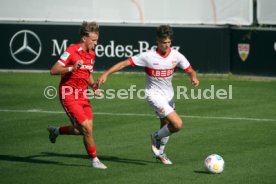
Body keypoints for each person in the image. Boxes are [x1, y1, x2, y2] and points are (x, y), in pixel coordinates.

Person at [97, 25, 199, 165]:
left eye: (169, 42)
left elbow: (190, 70)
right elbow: (124, 63)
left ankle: (160, 153)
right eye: (164, 42)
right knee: (177, 124)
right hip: (154, 96)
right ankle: (155, 137)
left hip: (169, 96)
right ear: (157, 40)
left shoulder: (176, 56)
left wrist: (193, 77)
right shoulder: (148, 56)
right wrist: (106, 74)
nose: (167, 45)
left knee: (166, 125)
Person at [47, 21, 107, 169]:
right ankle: (94, 160)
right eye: (93, 40)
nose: (96, 42)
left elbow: (86, 73)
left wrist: (94, 87)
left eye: (97, 39)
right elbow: (54, 70)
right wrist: (71, 68)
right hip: (68, 95)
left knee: (85, 130)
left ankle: (56, 130)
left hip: (83, 95)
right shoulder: (72, 50)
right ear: (84, 39)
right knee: (86, 128)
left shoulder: (91, 54)